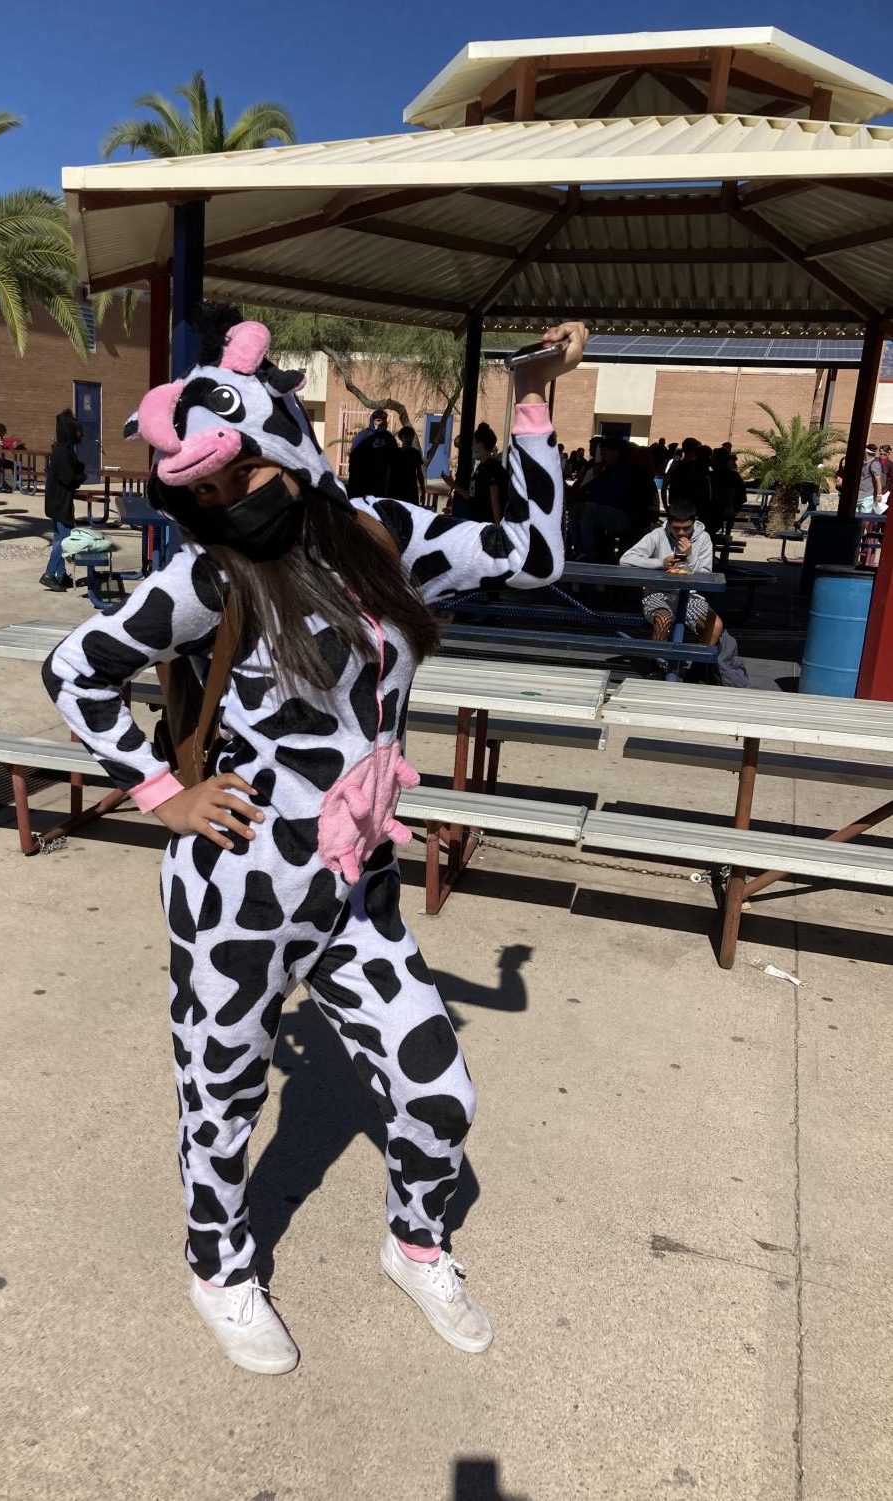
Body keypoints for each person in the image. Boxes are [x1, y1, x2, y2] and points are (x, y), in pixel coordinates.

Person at [42, 306, 585, 1376]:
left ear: (284, 453)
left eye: (226, 482)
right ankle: (220, 1268)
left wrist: (532, 399)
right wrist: (161, 794)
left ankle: (415, 1242)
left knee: (439, 1095)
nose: (209, 505)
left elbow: (531, 552)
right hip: (235, 886)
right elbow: (75, 670)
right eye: (192, 492)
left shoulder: (382, 532)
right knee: (223, 1098)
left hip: (354, 883)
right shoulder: (207, 576)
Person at [620, 496, 749, 686]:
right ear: (669, 523)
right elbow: (626, 559)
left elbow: (705, 575)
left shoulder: (703, 539)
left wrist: (688, 559)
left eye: (686, 528)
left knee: (715, 624)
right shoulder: (658, 535)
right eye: (676, 528)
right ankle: (658, 664)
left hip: (689, 596)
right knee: (663, 618)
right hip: (658, 593)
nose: (681, 533)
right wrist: (659, 563)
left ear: (694, 523)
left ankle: (698, 665)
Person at [576, 436, 651, 559]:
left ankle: (588, 552)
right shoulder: (607, 471)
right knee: (577, 508)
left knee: (588, 509)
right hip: (615, 512)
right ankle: (580, 550)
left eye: (605, 454)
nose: (603, 458)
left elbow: (611, 499)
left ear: (616, 453)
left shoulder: (624, 473)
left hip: (628, 517)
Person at [40, 410, 85, 591]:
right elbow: (69, 479)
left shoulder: (60, 450)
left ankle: (61, 575)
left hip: (56, 502)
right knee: (65, 540)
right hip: (60, 503)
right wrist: (81, 476)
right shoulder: (64, 452)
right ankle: (49, 574)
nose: (79, 435)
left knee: (61, 537)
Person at [446, 423, 507, 523]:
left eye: (474, 443)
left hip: (485, 522)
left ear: (481, 444)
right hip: (475, 520)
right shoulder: (481, 467)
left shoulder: (492, 468)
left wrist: (497, 526)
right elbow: (472, 496)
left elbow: (495, 500)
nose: (472, 447)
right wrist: (453, 484)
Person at [347, 409, 399, 498]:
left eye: (384, 420)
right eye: (378, 420)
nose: (381, 423)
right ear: (372, 421)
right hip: (363, 481)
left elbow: (395, 459)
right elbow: (354, 456)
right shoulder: (363, 435)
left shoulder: (389, 438)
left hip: (382, 482)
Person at [386, 426, 426, 505]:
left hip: (411, 490)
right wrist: (387, 492)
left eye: (411, 436)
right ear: (401, 438)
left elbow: (419, 473)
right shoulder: (395, 453)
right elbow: (389, 473)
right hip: (396, 490)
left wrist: (423, 491)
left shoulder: (415, 453)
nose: (409, 439)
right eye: (406, 436)